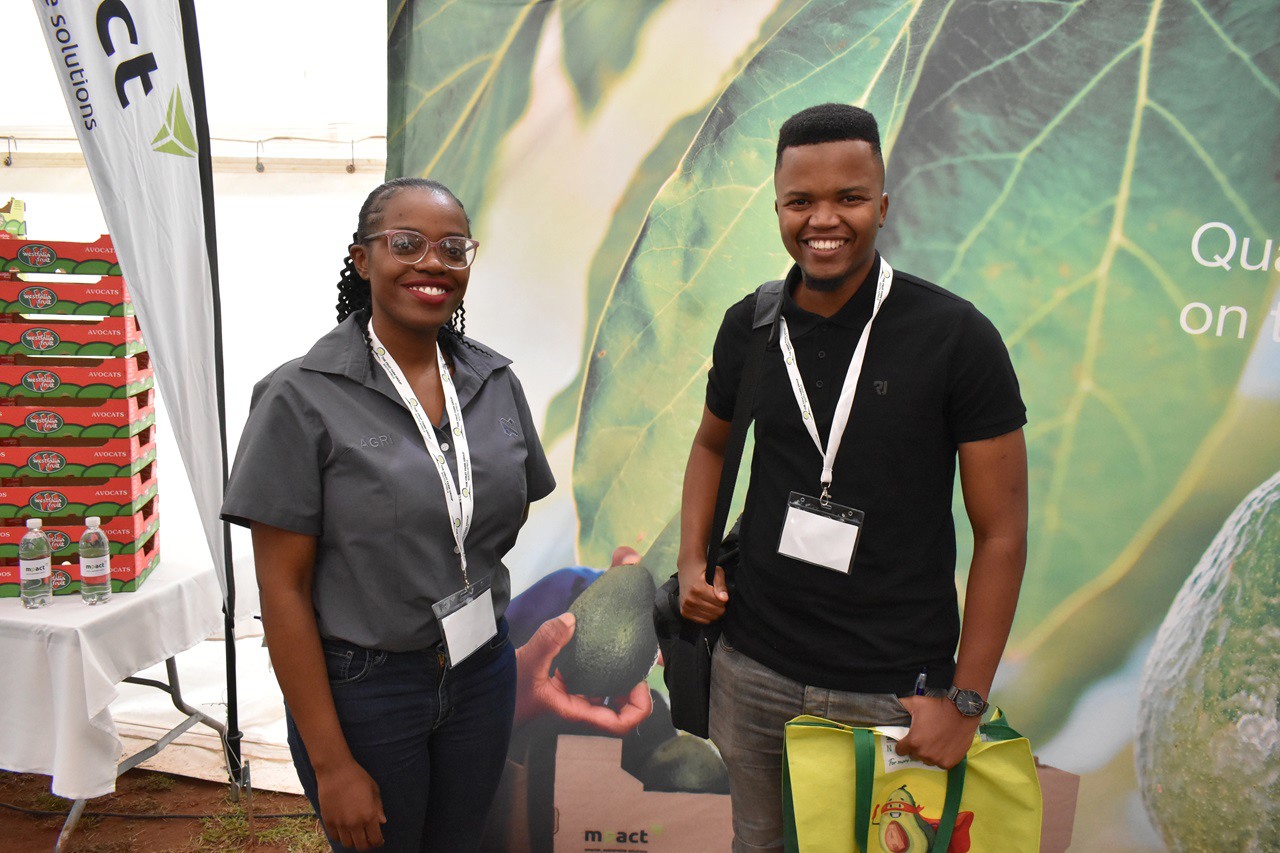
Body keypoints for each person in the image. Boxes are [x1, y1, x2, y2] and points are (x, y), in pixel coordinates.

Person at [676, 103, 1028, 852]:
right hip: (752, 670)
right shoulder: (751, 326)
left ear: (883, 206)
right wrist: (690, 559)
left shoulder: (955, 336)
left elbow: (1001, 533)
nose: (823, 220)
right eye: (800, 201)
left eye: (850, 198)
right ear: (778, 208)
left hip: (893, 692)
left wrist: (966, 701)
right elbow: (710, 446)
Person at [221, 177, 556, 852]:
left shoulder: (494, 382)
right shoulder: (300, 397)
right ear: (361, 258)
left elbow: (503, 514)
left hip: (480, 668)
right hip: (366, 688)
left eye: (453, 248)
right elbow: (283, 590)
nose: (433, 263)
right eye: (406, 244)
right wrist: (331, 763)